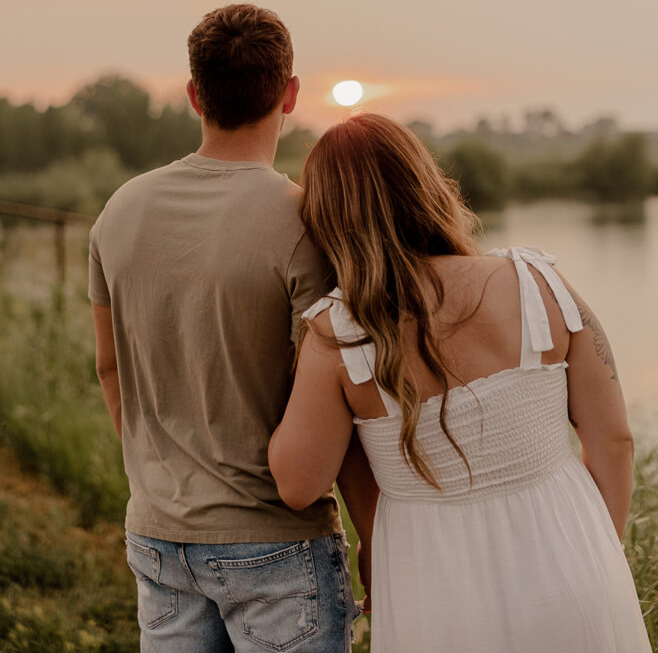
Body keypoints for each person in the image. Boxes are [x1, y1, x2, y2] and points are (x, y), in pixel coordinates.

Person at [269, 113, 651, 653]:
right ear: (426, 185)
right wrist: (593, 554)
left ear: (327, 220)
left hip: (432, 593)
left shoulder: (338, 333)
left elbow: (298, 483)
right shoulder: (535, 281)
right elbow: (615, 440)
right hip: (574, 565)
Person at [89, 4, 362, 652]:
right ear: (290, 94)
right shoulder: (302, 220)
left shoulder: (120, 209)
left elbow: (109, 366)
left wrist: (159, 475)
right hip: (276, 545)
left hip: (157, 533)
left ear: (193, 94)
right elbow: (335, 397)